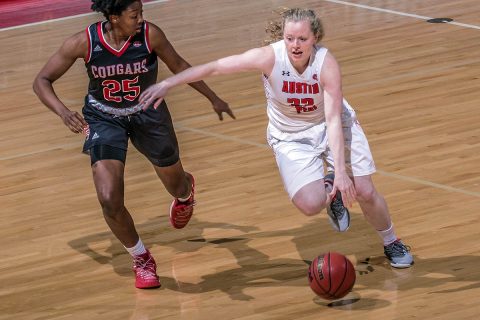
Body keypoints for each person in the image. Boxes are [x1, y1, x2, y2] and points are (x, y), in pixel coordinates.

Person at [139, 8, 414, 268]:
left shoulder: (326, 64)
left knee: (364, 190)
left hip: (333, 125)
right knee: (309, 204)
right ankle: (330, 189)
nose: (295, 45)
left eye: (302, 39)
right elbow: (215, 67)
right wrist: (167, 83)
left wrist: (341, 171)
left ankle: (392, 242)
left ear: (314, 38)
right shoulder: (269, 57)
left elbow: (331, 120)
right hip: (290, 135)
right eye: (290, 38)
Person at [33, 0, 235, 289]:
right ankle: (141, 259)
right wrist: (64, 112)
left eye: (141, 13)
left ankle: (185, 192)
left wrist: (213, 97)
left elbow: (179, 65)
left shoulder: (151, 35)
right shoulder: (84, 42)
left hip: (148, 114)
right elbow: (42, 80)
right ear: (114, 18)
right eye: (134, 15)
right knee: (108, 197)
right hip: (104, 119)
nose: (141, 19)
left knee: (176, 185)